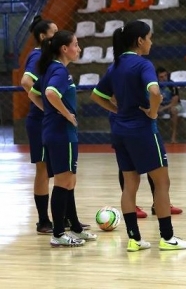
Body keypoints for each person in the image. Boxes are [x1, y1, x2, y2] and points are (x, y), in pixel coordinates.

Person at [90, 20, 186, 251]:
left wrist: (116, 109)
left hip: (120, 130)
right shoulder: (142, 64)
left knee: (130, 184)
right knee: (162, 183)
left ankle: (134, 240)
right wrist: (153, 112)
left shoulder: (114, 66)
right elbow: (155, 92)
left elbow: (96, 95)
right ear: (140, 41)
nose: (151, 42)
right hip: (143, 130)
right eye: (149, 37)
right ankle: (167, 238)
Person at [27, 30, 97, 247]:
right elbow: (49, 93)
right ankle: (58, 233)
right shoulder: (60, 71)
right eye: (76, 45)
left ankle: (75, 227)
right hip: (61, 133)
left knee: (69, 181)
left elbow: (33, 93)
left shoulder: (50, 68)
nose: (79, 48)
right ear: (64, 49)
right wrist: (66, 114)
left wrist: (49, 111)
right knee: (63, 182)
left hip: (54, 131)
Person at [20, 16, 58, 234]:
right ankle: (43, 220)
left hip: (51, 122)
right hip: (40, 122)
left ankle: (66, 217)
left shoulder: (50, 58)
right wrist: (44, 105)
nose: (58, 33)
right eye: (54, 31)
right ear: (43, 36)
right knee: (43, 169)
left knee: (62, 170)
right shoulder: (37, 56)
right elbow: (26, 82)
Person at [157, 67, 182, 144]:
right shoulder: (154, 86)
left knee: (173, 110)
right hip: (161, 105)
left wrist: (163, 108)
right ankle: (155, 137)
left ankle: (173, 137)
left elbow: (174, 102)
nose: (164, 78)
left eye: (165, 76)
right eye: (161, 77)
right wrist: (158, 107)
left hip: (173, 105)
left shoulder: (172, 84)